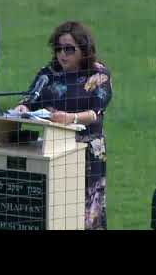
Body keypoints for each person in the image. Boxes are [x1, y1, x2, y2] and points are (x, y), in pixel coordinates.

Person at [13, 21, 112, 230]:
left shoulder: (98, 73)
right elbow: (31, 98)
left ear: (83, 49)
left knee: (87, 212)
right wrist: (23, 107)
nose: (62, 55)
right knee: (57, 210)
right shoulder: (48, 73)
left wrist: (71, 118)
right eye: (58, 49)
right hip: (54, 149)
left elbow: (96, 113)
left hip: (87, 151)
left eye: (69, 49)